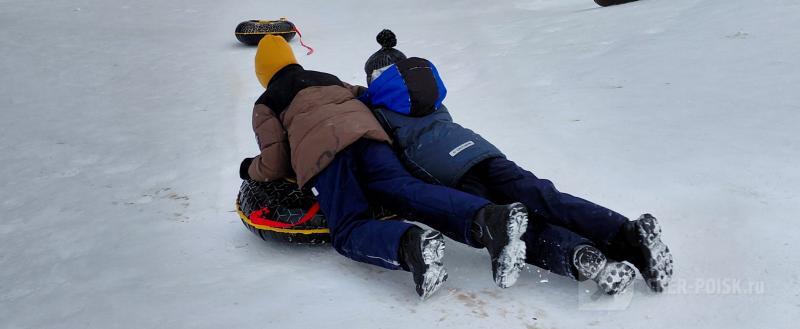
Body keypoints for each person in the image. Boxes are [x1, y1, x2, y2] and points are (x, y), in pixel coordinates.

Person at [357, 30, 674, 294]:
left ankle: (577, 254)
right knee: (544, 196)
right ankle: (626, 233)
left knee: (511, 224)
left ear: (373, 78)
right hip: (483, 153)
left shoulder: (376, 107)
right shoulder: (430, 94)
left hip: (451, 175)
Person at [238, 35, 530, 299]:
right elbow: (369, 95)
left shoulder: (266, 103)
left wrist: (250, 168)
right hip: (370, 138)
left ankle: (410, 246)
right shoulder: (328, 78)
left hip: (325, 156)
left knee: (348, 227)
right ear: (293, 61)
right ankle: (487, 218)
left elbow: (274, 162)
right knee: (404, 189)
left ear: (262, 74)